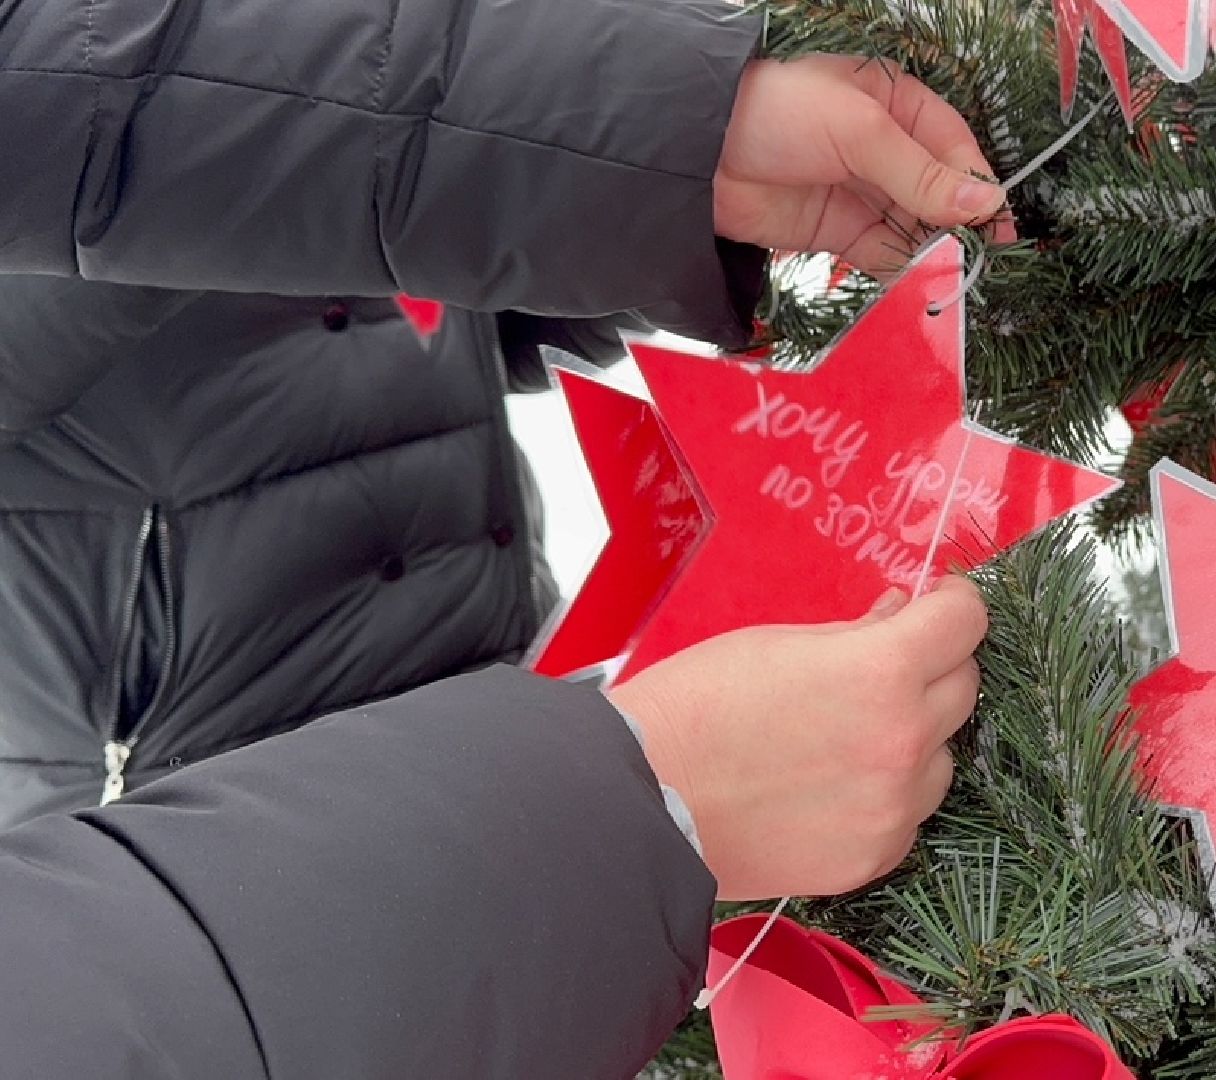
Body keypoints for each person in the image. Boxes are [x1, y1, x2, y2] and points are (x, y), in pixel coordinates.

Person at [0, 0, 1009, 1075]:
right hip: (249, 812)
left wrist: (673, 206)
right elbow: (163, 131)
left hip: (493, 698)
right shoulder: (145, 106)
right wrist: (283, 162)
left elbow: (478, 311)